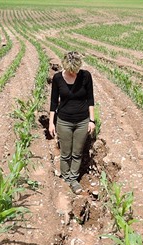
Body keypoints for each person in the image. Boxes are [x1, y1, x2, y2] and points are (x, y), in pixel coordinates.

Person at [49, 51, 95, 194]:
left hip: (82, 121)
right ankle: (66, 178)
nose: (73, 74)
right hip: (64, 121)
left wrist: (91, 120)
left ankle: (73, 178)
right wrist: (51, 123)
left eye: (75, 71)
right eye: (71, 71)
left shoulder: (86, 76)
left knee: (77, 153)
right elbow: (53, 102)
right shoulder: (57, 78)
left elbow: (90, 99)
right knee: (65, 153)